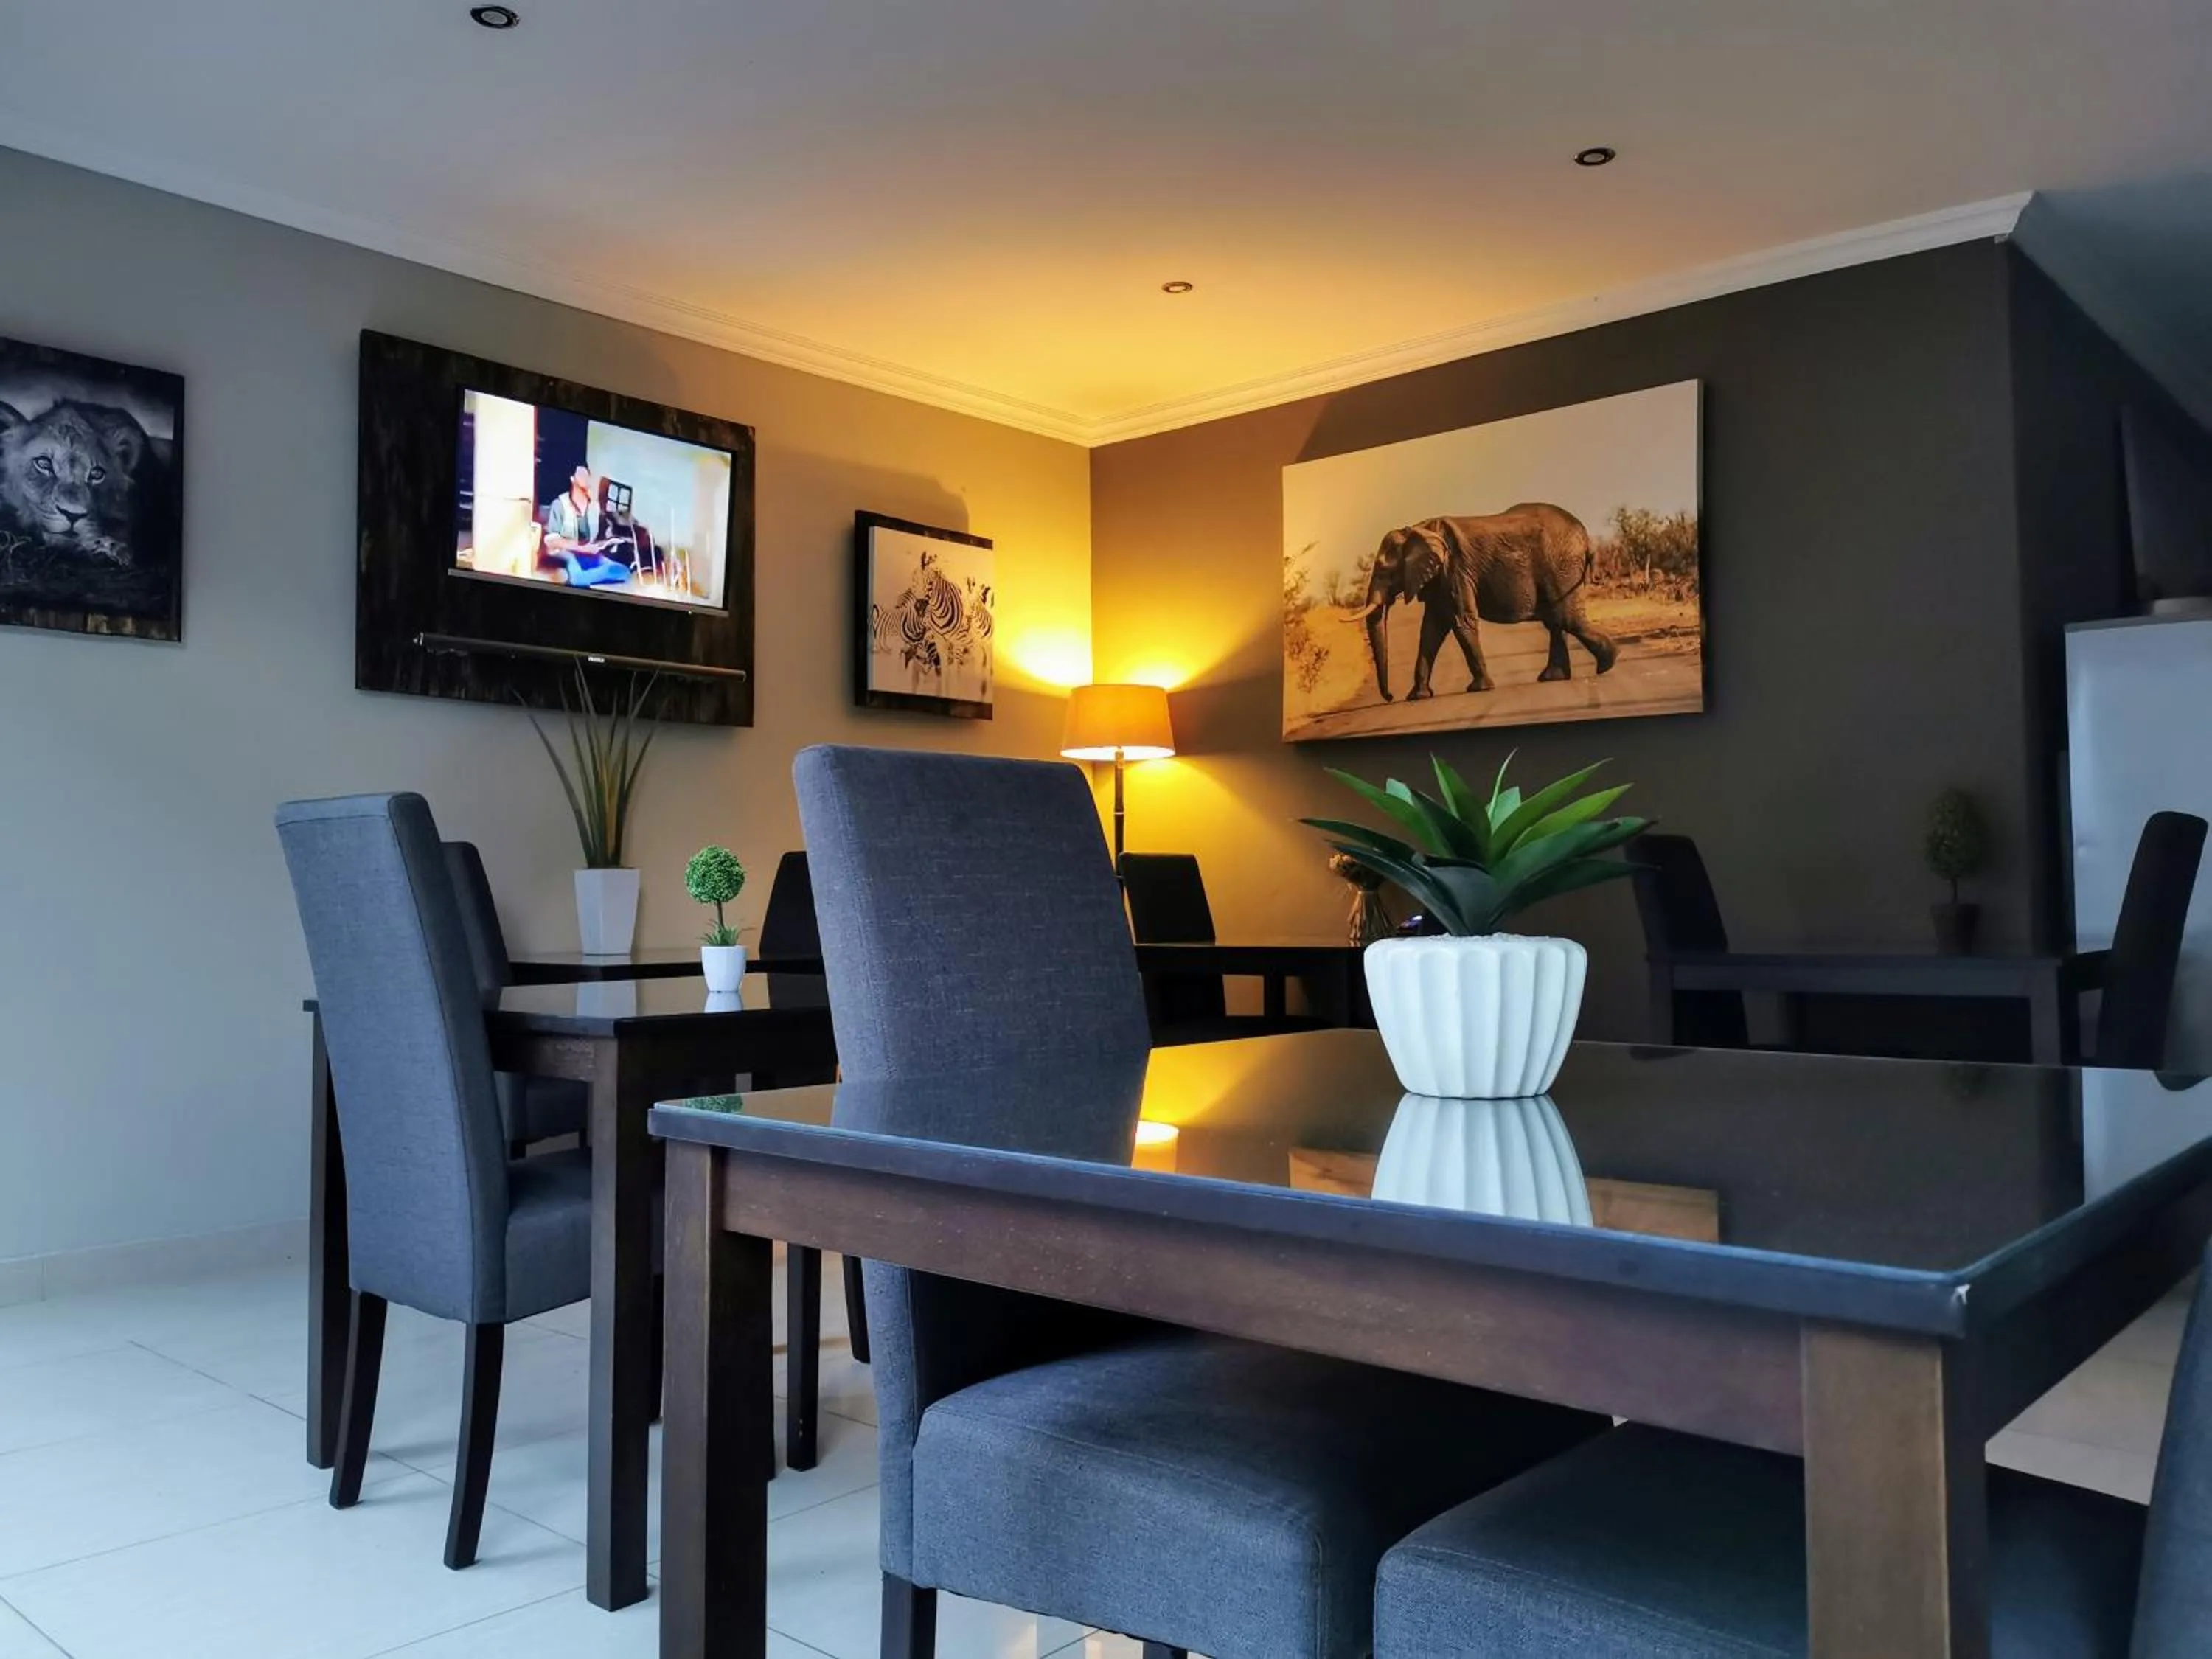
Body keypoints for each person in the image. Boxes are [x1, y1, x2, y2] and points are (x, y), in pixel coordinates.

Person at [543, 466, 629, 589]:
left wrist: (606, 543)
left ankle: (586, 577)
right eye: (581, 475)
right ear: (573, 479)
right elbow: (551, 541)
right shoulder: (560, 504)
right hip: (568, 554)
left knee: (624, 572)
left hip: (589, 556)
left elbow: (599, 538)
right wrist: (582, 549)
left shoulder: (594, 508)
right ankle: (582, 577)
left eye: (587, 475)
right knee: (577, 577)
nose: (586, 479)